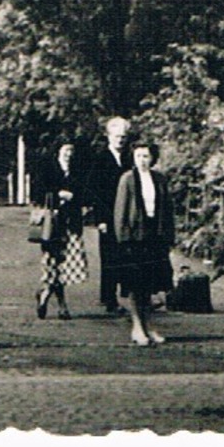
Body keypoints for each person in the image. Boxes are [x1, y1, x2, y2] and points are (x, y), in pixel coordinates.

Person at [113, 137, 175, 347]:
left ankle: (149, 326)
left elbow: (167, 210)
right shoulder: (127, 179)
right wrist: (122, 239)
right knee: (134, 284)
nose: (142, 160)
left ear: (152, 158)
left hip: (154, 237)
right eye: (138, 156)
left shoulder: (159, 179)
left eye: (146, 156)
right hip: (133, 238)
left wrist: (168, 237)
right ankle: (137, 327)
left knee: (149, 286)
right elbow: (120, 211)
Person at [30, 134, 89, 319]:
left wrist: (78, 201)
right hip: (52, 223)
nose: (69, 154)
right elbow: (37, 192)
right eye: (65, 150)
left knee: (65, 264)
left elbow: (85, 193)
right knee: (52, 263)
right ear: (58, 151)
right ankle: (62, 305)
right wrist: (58, 194)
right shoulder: (47, 168)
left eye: (71, 150)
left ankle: (45, 293)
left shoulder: (77, 170)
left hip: (71, 223)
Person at [86, 116, 132, 315]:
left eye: (123, 137)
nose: (120, 140)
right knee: (110, 257)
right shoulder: (100, 159)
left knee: (128, 255)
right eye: (116, 136)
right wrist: (101, 220)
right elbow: (96, 192)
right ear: (108, 137)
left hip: (128, 216)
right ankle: (109, 298)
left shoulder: (130, 158)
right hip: (109, 214)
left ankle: (131, 295)